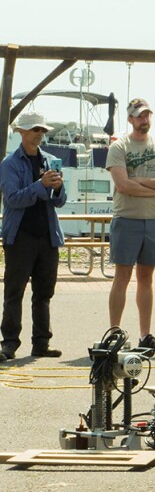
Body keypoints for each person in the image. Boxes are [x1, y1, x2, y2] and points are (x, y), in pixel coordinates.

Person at [105, 98, 155, 353]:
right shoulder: (119, 147)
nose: (143, 119)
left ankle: (145, 335)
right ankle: (113, 332)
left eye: (146, 115)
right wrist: (154, 186)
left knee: (146, 279)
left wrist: (142, 184)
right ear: (130, 119)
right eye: (138, 116)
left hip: (152, 221)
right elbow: (122, 185)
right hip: (126, 219)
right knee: (122, 277)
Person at [0, 112, 67, 361]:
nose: (40, 133)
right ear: (21, 132)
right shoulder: (9, 164)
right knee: (14, 292)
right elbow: (13, 199)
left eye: (42, 130)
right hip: (20, 237)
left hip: (47, 236)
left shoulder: (51, 161)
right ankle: (9, 344)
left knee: (44, 293)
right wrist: (41, 186)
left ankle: (41, 343)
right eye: (35, 129)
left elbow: (60, 201)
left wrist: (58, 188)